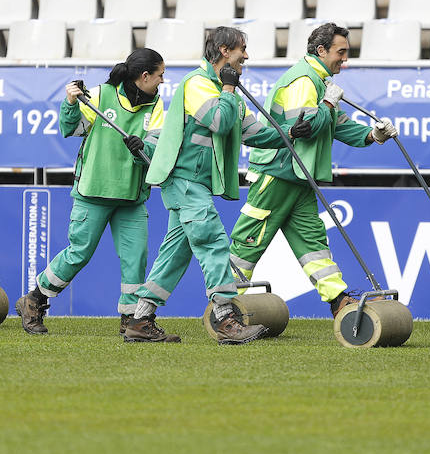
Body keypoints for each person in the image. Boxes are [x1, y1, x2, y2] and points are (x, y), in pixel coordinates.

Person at [124, 27, 310, 345]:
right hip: (183, 182)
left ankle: (140, 320)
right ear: (225, 51)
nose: (247, 56)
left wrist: (290, 133)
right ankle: (226, 319)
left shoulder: (226, 91)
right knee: (213, 242)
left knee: (174, 255)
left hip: (190, 184)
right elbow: (220, 123)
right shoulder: (198, 84)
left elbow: (254, 132)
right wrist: (227, 87)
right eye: (243, 49)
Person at [228, 23, 397, 319]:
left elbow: (338, 125)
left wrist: (373, 135)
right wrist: (328, 102)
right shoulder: (304, 81)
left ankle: (338, 299)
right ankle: (225, 300)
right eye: (340, 53)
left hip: (298, 176)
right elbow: (302, 130)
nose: (344, 60)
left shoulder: (319, 81)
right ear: (321, 50)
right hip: (278, 171)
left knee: (312, 242)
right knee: (250, 239)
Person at [18, 48, 168, 337]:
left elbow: (155, 148)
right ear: (145, 76)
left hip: (132, 197)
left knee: (135, 259)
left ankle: (132, 321)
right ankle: (34, 300)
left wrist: (144, 149)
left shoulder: (157, 106)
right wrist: (71, 102)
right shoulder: (100, 95)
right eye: (160, 75)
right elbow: (70, 128)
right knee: (79, 254)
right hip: (93, 192)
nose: (163, 81)